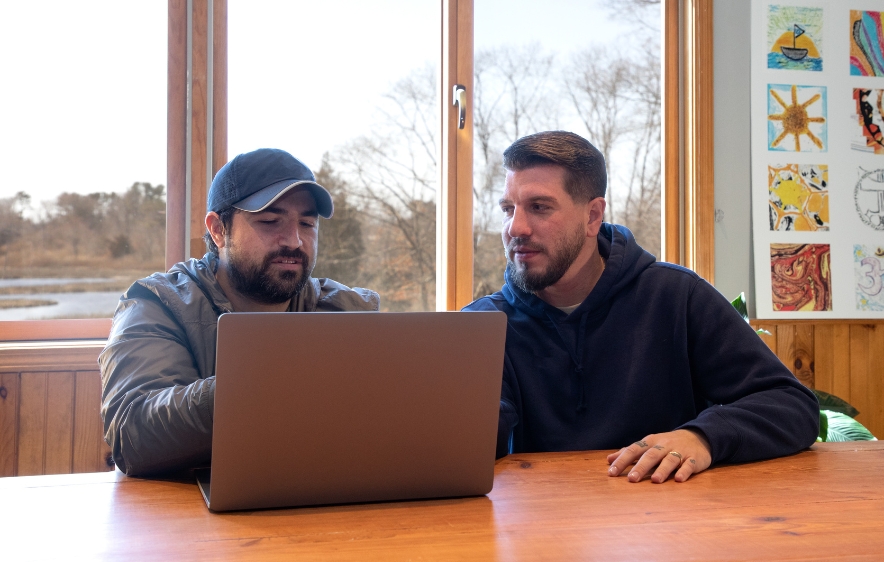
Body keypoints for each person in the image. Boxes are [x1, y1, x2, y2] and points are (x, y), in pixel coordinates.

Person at [464, 131, 819, 484]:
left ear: (592, 216)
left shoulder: (677, 297)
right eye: (508, 209)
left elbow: (793, 406)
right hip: (535, 527)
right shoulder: (482, 326)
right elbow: (468, 436)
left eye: (539, 207)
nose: (516, 228)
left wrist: (702, 437)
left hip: (663, 523)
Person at [99, 148, 379, 476]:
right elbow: (133, 434)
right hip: (189, 516)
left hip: (322, 503)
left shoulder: (342, 310)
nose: (294, 240)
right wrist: (266, 385)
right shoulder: (157, 304)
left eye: (307, 223)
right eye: (270, 221)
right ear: (218, 230)